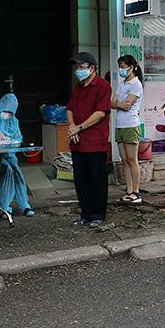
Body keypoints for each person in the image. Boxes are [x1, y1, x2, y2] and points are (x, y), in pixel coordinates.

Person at [67, 52, 113, 227]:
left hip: (95, 141)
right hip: (77, 142)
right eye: (76, 67)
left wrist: (79, 127)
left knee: (97, 180)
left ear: (92, 68)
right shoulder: (78, 87)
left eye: (81, 66)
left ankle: (98, 214)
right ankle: (85, 214)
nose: (78, 70)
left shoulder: (103, 86)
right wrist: (72, 128)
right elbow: (70, 109)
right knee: (81, 180)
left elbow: (100, 114)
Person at [112, 54, 145, 204]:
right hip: (119, 126)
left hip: (131, 125)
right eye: (120, 67)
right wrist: (118, 103)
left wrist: (117, 103)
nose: (121, 70)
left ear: (132, 68)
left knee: (132, 160)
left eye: (123, 67)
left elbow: (126, 104)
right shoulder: (122, 84)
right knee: (124, 160)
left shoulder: (136, 84)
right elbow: (112, 103)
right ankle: (129, 189)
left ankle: (136, 192)